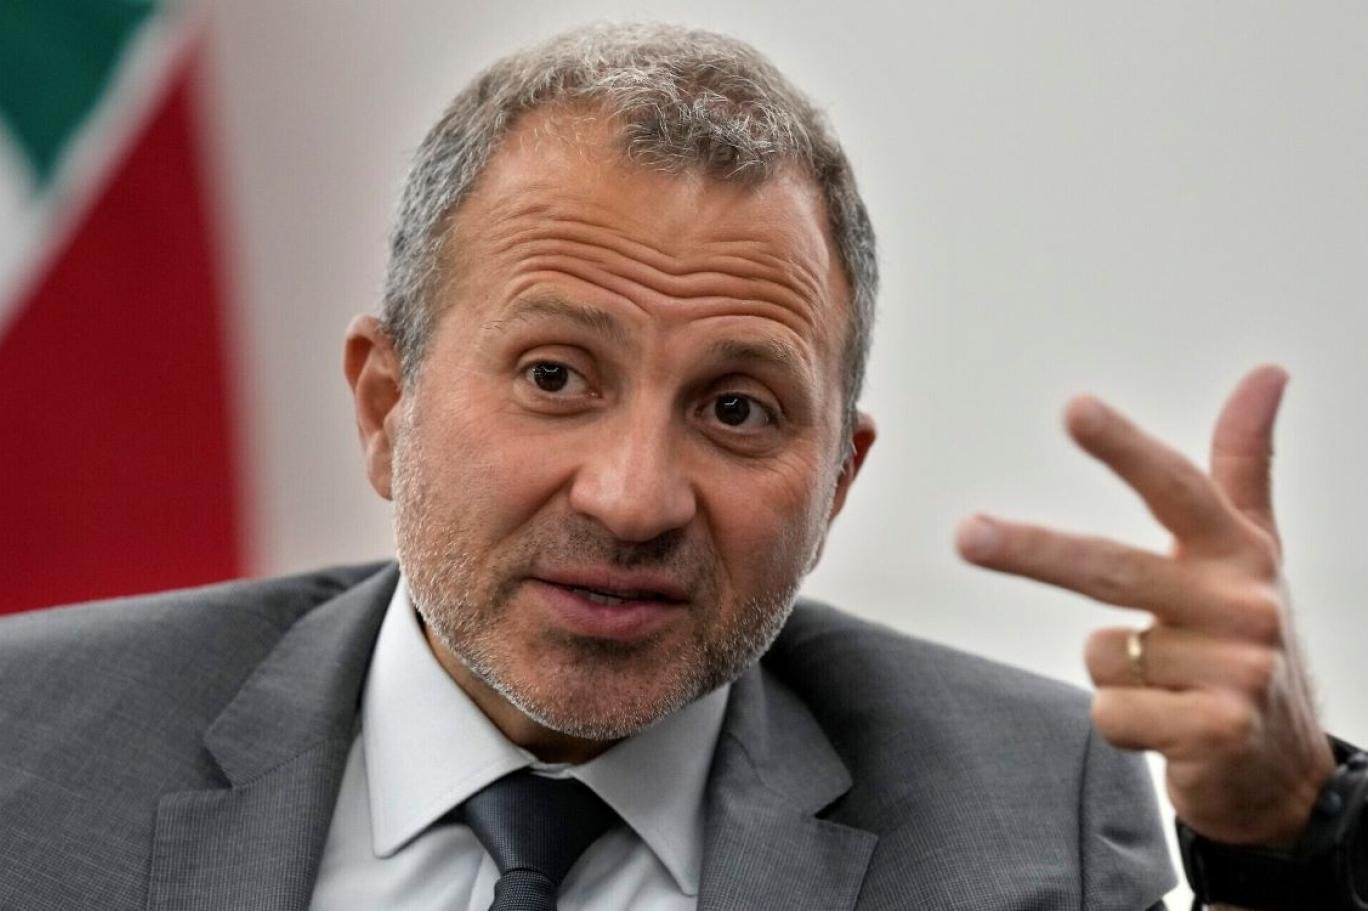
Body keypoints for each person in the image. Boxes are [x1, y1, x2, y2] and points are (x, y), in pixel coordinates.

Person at [1, 23, 1362, 911]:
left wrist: (1290, 839)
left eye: (738, 408)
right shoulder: (34, 756)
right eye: (555, 378)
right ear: (384, 404)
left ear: (835, 486)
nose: (634, 498)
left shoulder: (1025, 810)